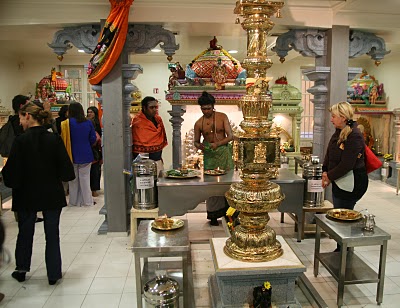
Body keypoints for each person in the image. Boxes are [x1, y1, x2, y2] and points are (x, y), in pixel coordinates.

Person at [2, 102, 75, 285]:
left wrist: (12, 181)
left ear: (28, 116)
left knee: (25, 232)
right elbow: (67, 171)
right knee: (52, 234)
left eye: (20, 117)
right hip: (51, 193)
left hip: (26, 194)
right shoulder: (54, 139)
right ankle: (53, 273)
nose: (19, 122)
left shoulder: (20, 141)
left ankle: (22, 269)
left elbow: (11, 173)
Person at [194, 91, 234, 225]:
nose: (206, 111)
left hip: (224, 153)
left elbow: (230, 136)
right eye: (203, 109)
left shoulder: (222, 117)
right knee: (212, 185)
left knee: (228, 183)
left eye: (208, 108)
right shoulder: (199, 123)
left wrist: (218, 144)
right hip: (210, 155)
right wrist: (201, 147)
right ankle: (213, 215)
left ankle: (231, 215)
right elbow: (196, 141)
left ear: (213, 106)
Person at [322, 101, 368, 209]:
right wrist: (325, 170)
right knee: (338, 210)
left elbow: (347, 164)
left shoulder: (354, 135)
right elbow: (330, 152)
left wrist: (329, 176)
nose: (331, 119)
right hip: (339, 180)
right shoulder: (338, 131)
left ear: (343, 117)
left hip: (351, 183)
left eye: (333, 116)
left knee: (343, 215)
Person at [64, 102, 96, 206]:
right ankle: (87, 201)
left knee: (73, 180)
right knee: (85, 179)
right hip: (86, 153)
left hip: (71, 154)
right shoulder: (88, 122)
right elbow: (93, 138)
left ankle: (74, 202)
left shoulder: (66, 123)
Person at [131, 97, 168, 173]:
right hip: (143, 164)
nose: (154, 109)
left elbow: (161, 136)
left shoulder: (158, 119)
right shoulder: (138, 122)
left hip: (157, 160)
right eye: (151, 107)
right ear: (144, 108)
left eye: (156, 107)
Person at [87, 106, 102, 197]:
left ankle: (94, 189)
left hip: (96, 149)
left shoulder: (98, 124)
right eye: (88, 112)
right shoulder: (86, 123)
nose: (89, 114)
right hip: (90, 148)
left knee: (96, 171)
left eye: (91, 112)